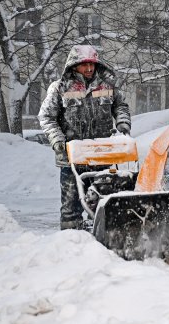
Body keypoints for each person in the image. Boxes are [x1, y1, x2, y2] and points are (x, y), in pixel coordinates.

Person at [38, 45, 131, 230]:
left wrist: (123, 123)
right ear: (74, 65)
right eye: (84, 65)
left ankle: (103, 242)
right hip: (72, 158)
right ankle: (71, 242)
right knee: (70, 207)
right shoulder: (60, 88)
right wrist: (57, 140)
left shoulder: (107, 85)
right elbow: (46, 117)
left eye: (92, 64)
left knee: (104, 202)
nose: (89, 69)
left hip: (103, 155)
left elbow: (121, 106)